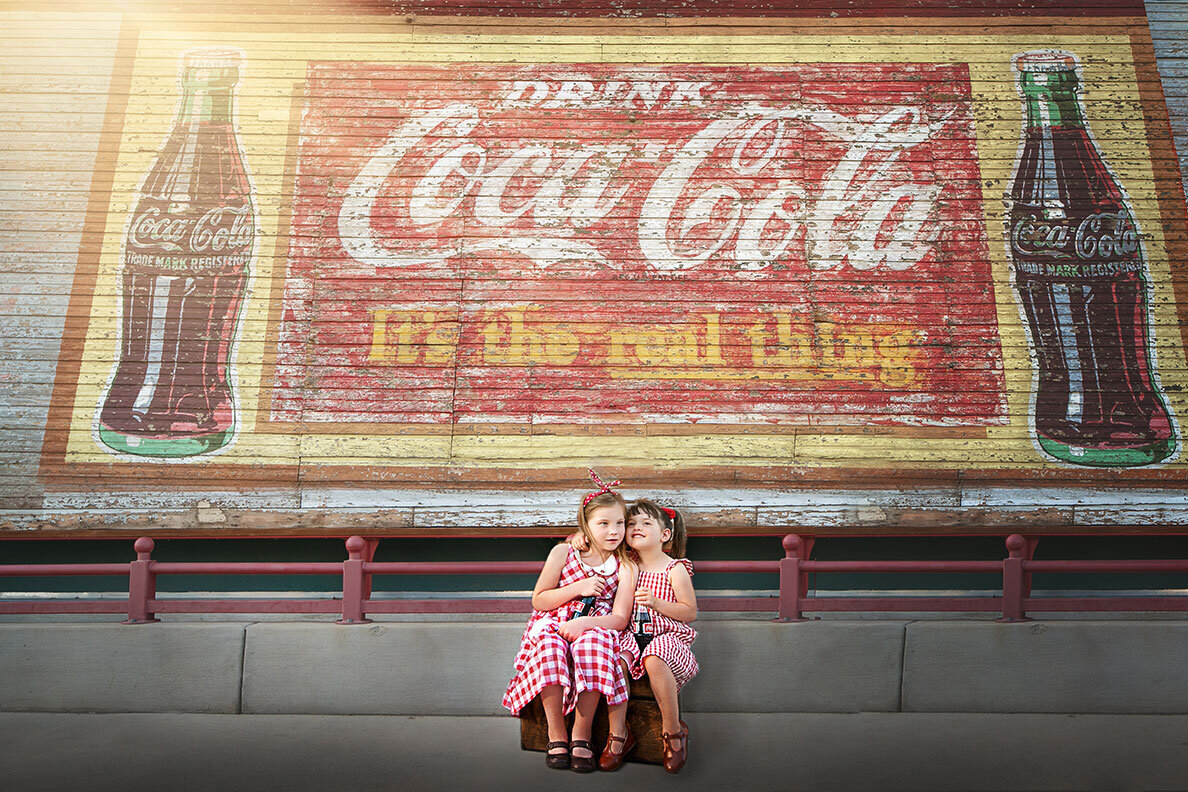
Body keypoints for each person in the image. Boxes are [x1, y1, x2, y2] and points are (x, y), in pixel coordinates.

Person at [502, 472, 635, 772]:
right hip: (554, 623)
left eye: (620, 523)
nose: (613, 531)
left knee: (593, 646)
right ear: (585, 525)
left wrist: (586, 623)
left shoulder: (626, 566)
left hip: (597, 626)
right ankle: (555, 732)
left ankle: (581, 733)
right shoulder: (564, 552)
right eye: (603, 523)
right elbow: (540, 600)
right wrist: (579, 588)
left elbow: (620, 618)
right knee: (549, 648)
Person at [618, 499, 698, 774]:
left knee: (654, 657)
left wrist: (656, 603)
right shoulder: (628, 563)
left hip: (667, 637)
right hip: (632, 637)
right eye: (631, 524)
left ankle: (673, 732)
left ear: (665, 535)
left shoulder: (674, 569)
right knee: (613, 660)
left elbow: (690, 612)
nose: (636, 527)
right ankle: (618, 733)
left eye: (646, 523)